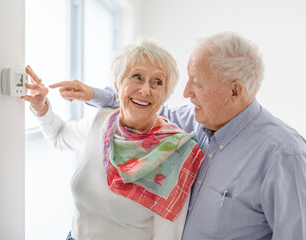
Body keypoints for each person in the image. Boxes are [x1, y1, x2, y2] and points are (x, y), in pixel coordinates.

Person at [57, 32, 306, 239]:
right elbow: (144, 105)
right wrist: (93, 94)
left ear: (234, 91)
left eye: (196, 82)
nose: (186, 92)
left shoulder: (283, 155)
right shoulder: (193, 119)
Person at [22, 39, 205, 239]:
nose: (145, 90)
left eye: (157, 82)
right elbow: (59, 136)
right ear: (117, 85)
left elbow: (167, 237)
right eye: (137, 77)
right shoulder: (101, 121)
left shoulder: (176, 152)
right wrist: (40, 106)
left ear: (164, 96)